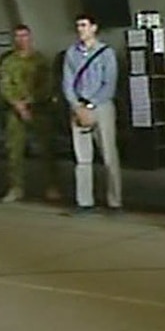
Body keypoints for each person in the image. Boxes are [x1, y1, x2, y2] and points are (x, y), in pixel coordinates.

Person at [61, 14, 122, 215]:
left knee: (109, 155)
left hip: (101, 106)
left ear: (94, 28)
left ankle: (114, 201)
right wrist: (76, 106)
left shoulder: (106, 53)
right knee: (82, 158)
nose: (81, 29)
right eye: (78, 25)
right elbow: (67, 82)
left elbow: (109, 84)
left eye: (84, 25)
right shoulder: (71, 53)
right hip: (78, 107)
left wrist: (89, 105)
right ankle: (84, 201)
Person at [0, 24, 60, 203]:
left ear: (30, 37)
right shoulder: (8, 61)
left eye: (24, 36)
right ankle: (15, 187)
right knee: (13, 151)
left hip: (39, 110)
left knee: (47, 149)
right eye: (17, 36)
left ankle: (52, 186)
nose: (21, 39)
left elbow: (47, 86)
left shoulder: (41, 60)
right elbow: (4, 85)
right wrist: (17, 104)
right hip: (14, 111)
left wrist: (29, 101)